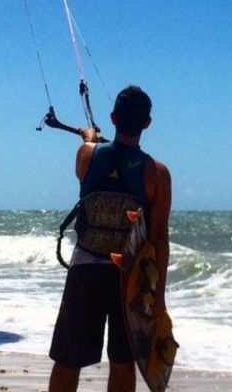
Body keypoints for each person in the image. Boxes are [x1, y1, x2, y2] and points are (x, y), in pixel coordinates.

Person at [49, 86, 172, 392]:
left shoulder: (86, 156)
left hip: (85, 269)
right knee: (123, 361)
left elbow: (90, 147)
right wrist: (159, 296)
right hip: (129, 278)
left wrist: (88, 136)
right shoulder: (157, 173)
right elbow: (159, 239)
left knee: (68, 359)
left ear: (113, 118)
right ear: (147, 123)